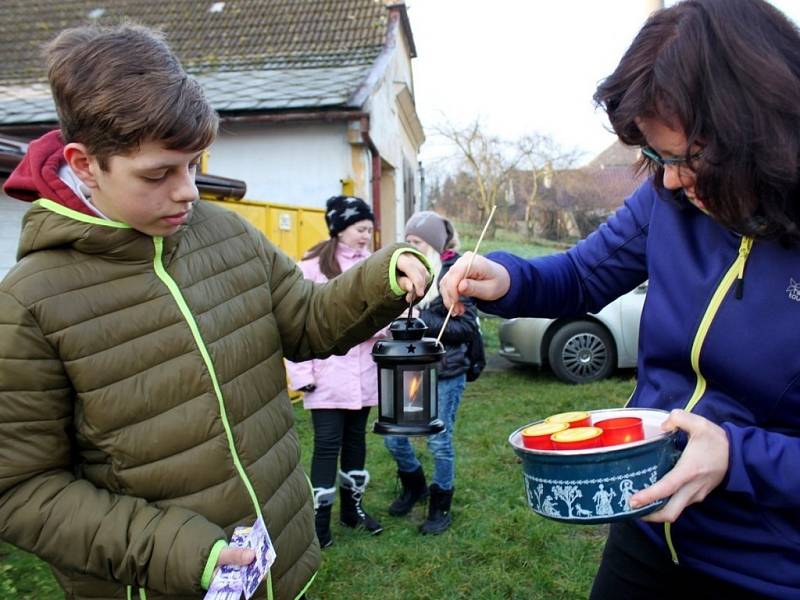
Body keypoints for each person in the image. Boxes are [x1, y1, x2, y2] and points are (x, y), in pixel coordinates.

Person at [0, 24, 430, 600]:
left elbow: (306, 320)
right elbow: (22, 491)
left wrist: (383, 276)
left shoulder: (224, 230)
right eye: (159, 174)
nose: (189, 192)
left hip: (280, 563)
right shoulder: (29, 303)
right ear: (84, 164)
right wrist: (186, 554)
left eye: (194, 165)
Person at [440, 0, 800, 597]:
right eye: (655, 158)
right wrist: (506, 281)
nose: (667, 181)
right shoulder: (672, 198)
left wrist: (738, 455)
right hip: (649, 535)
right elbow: (582, 275)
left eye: (684, 159)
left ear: (759, 128)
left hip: (769, 565)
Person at [286, 195, 386, 549]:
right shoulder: (311, 268)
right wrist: (302, 377)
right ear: (340, 228)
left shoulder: (373, 266)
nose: (365, 236)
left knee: (356, 442)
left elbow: (385, 316)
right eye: (360, 229)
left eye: (368, 231)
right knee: (328, 445)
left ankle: (352, 510)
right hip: (326, 377)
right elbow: (294, 325)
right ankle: (319, 519)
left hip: (364, 377)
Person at [384, 211, 481, 535]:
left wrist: (425, 317)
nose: (410, 248)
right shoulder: (409, 274)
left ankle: (441, 504)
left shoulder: (457, 275)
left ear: (434, 244)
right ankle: (415, 486)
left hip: (445, 371)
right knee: (395, 438)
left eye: (416, 242)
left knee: (439, 443)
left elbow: (466, 326)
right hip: (408, 368)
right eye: (407, 241)